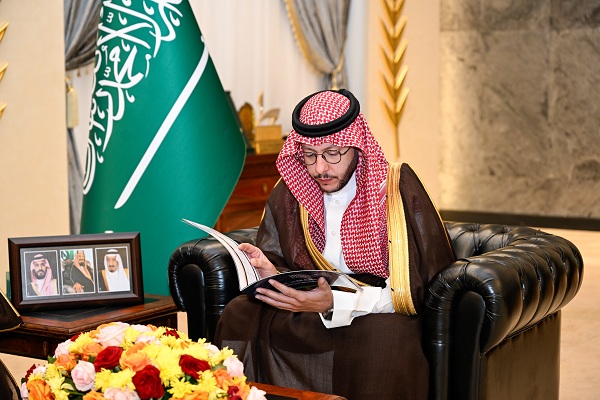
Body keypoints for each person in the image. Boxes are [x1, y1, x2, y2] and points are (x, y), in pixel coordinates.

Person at [214, 89, 456, 400]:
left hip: (373, 311)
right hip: (308, 307)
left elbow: (416, 290)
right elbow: (291, 268)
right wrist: (270, 272)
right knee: (239, 314)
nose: (320, 168)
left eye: (332, 153)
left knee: (387, 337)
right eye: (309, 155)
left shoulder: (394, 189)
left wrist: (335, 303)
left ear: (356, 145)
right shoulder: (291, 193)